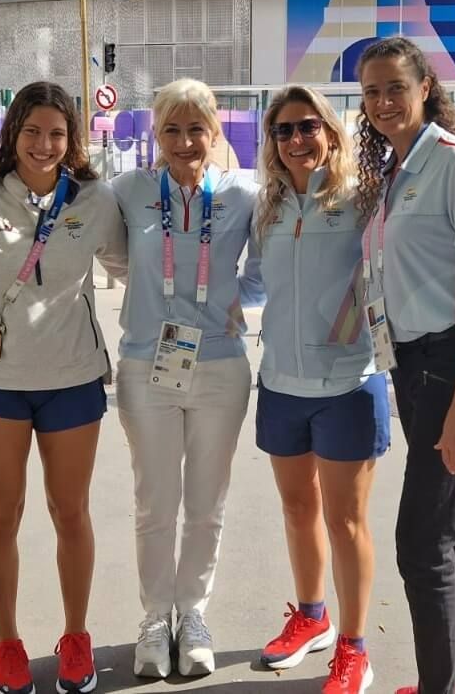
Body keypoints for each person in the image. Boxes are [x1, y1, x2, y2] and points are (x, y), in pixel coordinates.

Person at [0, 81, 128, 694]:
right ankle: (6, 643)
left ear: (71, 139)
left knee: (70, 512)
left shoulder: (97, 200)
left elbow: (132, 265)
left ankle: (75, 636)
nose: (44, 144)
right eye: (32, 131)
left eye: (57, 133)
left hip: (74, 379)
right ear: (12, 134)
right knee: (2, 515)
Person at [354, 37, 455, 694]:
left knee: (421, 544)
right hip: (412, 364)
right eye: (371, 92)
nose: (384, 102)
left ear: (425, 88)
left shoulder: (454, 163)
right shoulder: (395, 169)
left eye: (395, 87)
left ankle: (439, 687)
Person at [109, 78, 264, 679]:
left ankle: (193, 612)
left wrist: (235, 300)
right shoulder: (129, 190)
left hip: (221, 366)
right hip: (147, 364)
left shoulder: (243, 194)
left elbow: (270, 264)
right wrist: (147, 292)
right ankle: (154, 618)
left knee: (207, 504)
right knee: (155, 503)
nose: (183, 140)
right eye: (171, 129)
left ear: (215, 131)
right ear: (156, 134)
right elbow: (108, 249)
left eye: (195, 128)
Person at [252, 86, 387, 694]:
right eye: (283, 130)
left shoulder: (364, 199)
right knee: (297, 507)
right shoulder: (269, 207)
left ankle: (355, 649)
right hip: (280, 381)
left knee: (346, 521)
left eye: (308, 127)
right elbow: (255, 285)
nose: (296, 140)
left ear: (331, 133)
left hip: (347, 383)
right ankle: (312, 618)